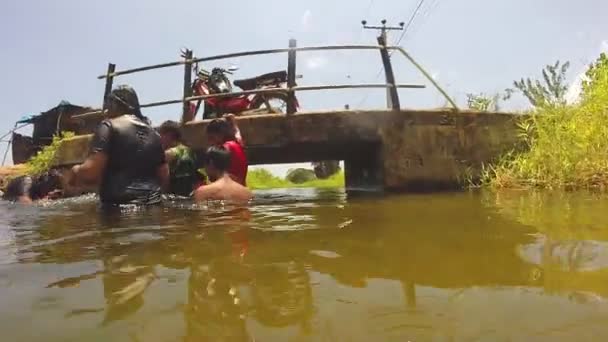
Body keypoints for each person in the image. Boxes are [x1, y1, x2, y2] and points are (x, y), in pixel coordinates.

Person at [68, 85, 169, 206]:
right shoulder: (154, 134)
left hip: (119, 209)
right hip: (154, 207)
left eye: (108, 104)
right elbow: (164, 176)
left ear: (114, 104)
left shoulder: (109, 126)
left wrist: (75, 171)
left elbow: (91, 172)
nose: (106, 110)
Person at [159, 120, 205, 197]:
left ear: (168, 135)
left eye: (161, 134)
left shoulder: (169, 154)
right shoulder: (190, 151)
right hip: (191, 195)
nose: (160, 138)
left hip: (174, 197)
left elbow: (164, 182)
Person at [205, 114, 248, 186]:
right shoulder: (238, 143)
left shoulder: (223, 149)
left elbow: (214, 172)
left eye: (211, 138)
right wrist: (233, 123)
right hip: (241, 189)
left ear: (220, 135)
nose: (210, 142)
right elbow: (237, 132)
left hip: (227, 190)